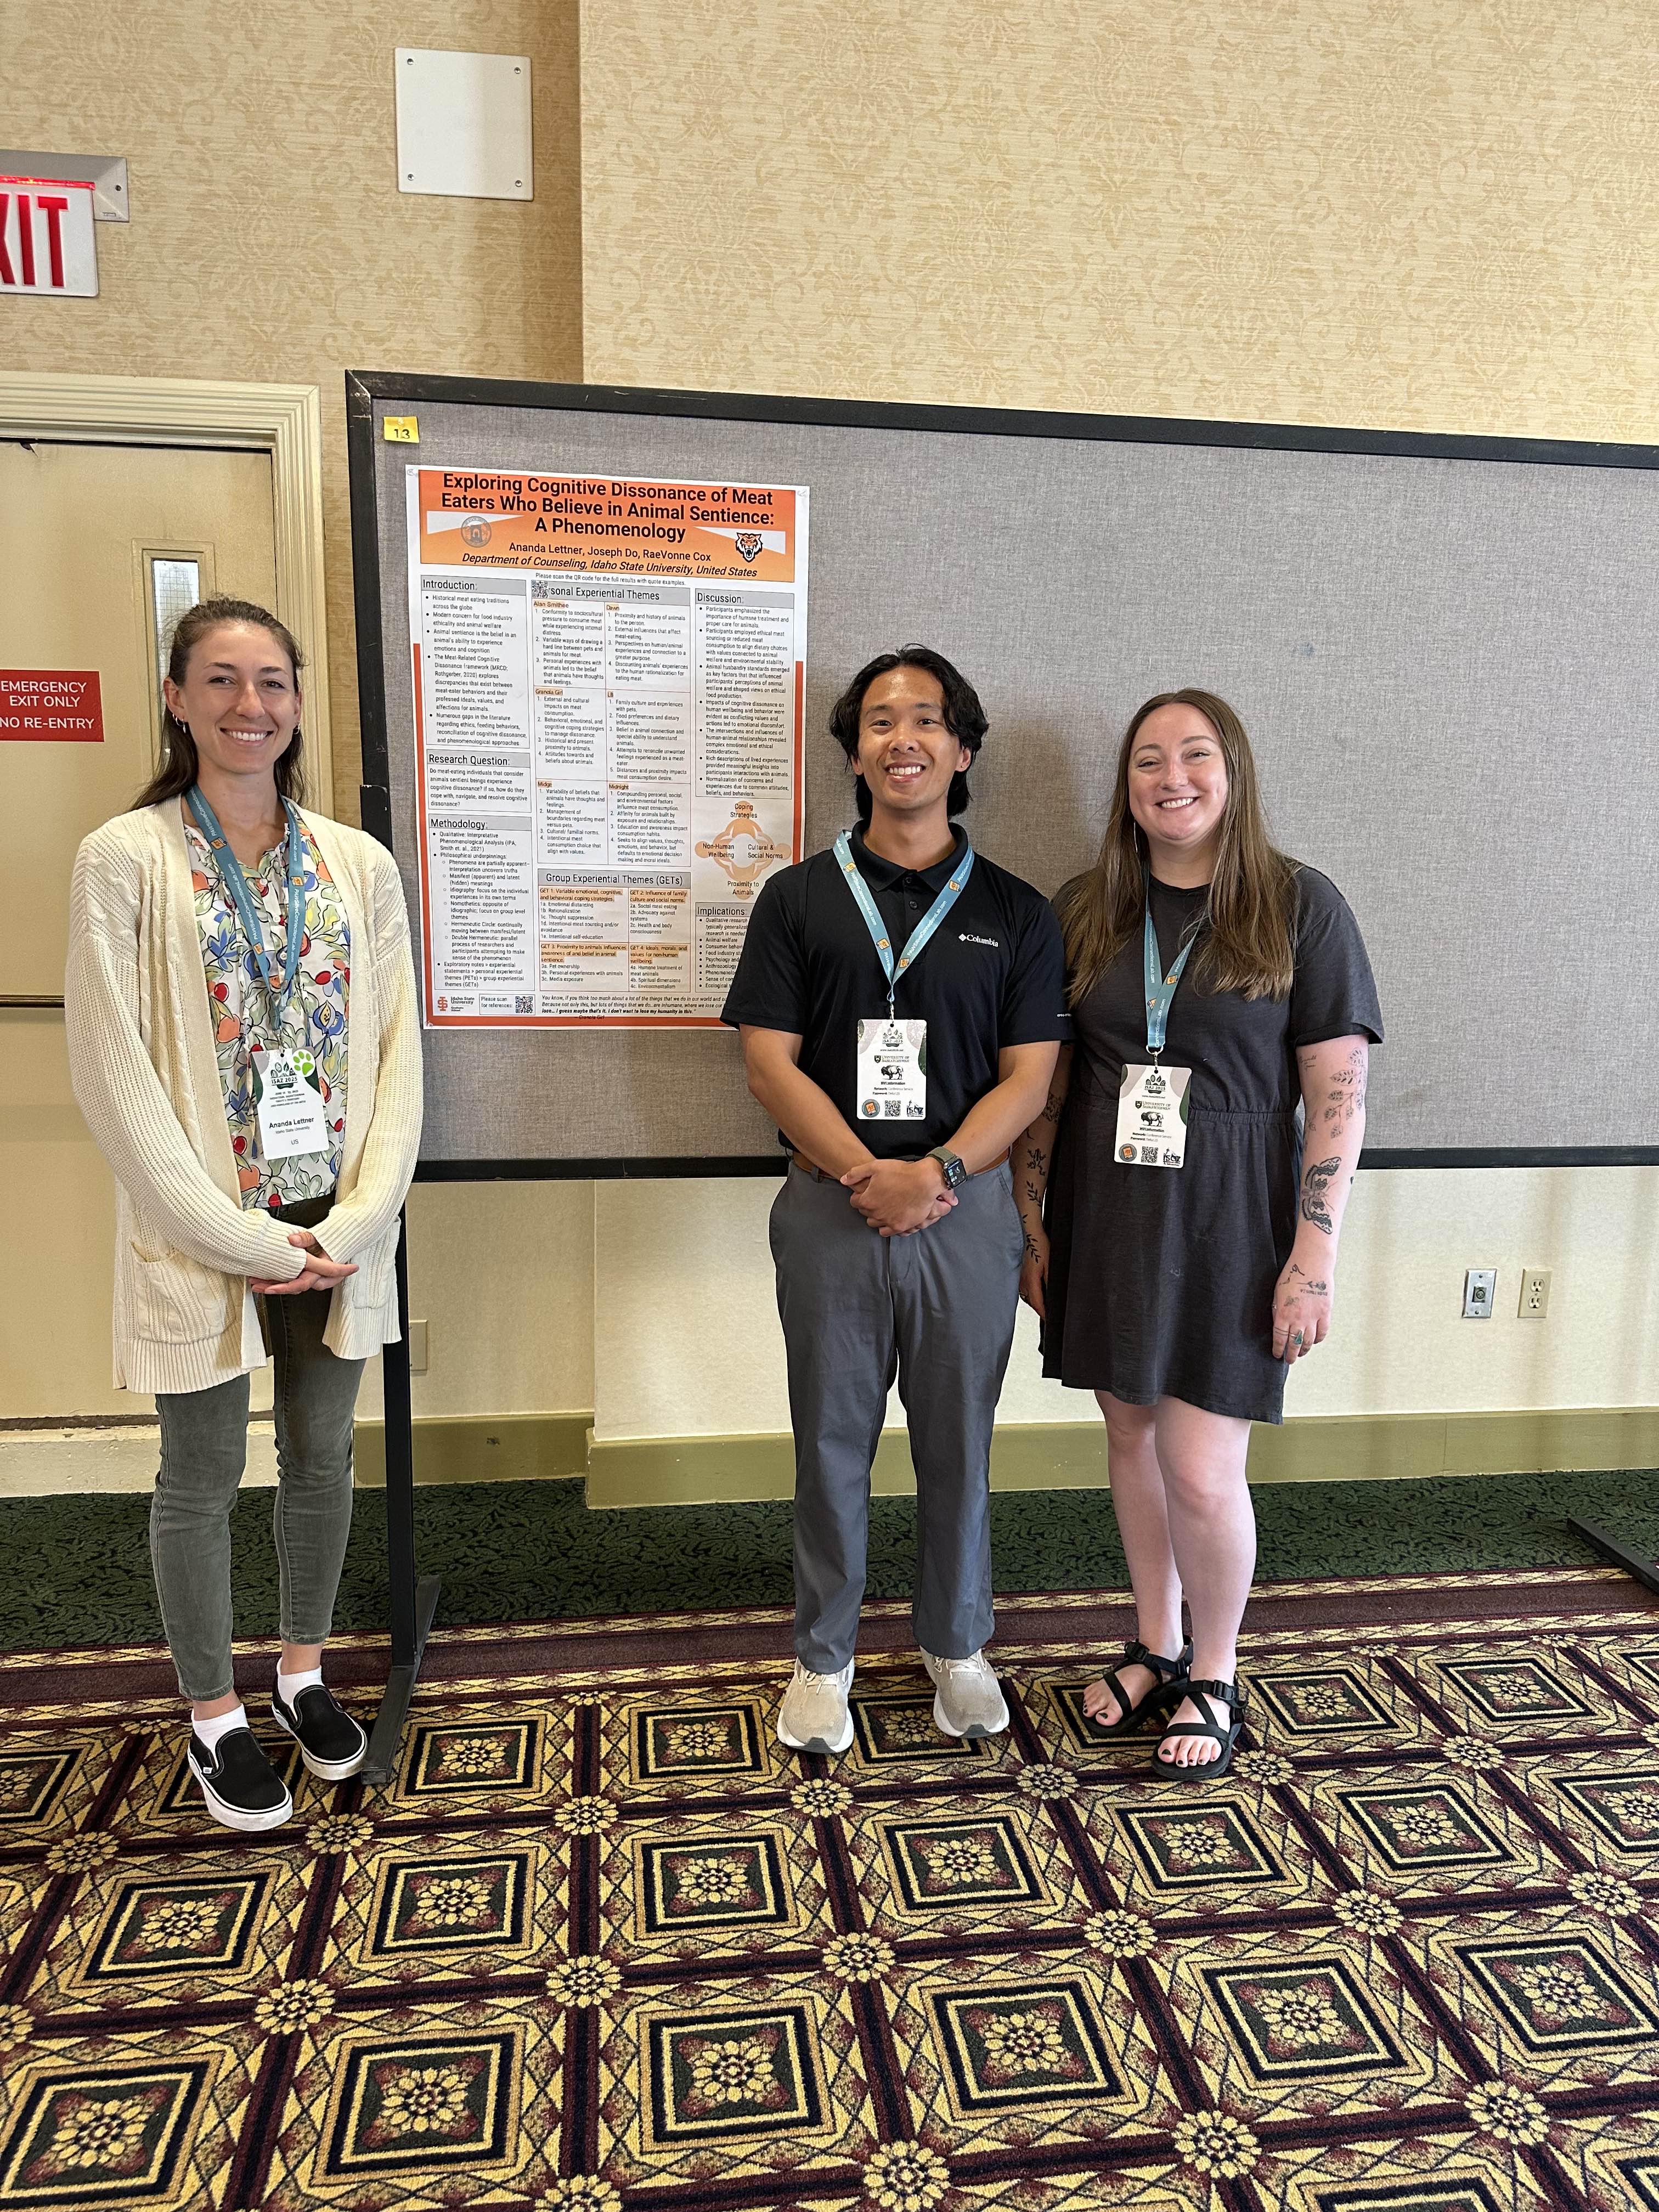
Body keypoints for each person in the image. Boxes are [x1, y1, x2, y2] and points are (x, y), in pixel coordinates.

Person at [65, 597, 422, 1832]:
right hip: (202, 1229)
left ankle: (305, 1669)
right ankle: (215, 1708)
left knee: (322, 1460)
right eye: (220, 681)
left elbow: (397, 1058)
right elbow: (114, 1078)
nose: (249, 706)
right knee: (202, 1473)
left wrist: (349, 1227)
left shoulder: (356, 864)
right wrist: (250, 1242)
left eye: (273, 682)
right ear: (175, 697)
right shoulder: (125, 858)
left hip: (334, 1229)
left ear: (298, 703)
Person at [1016, 689, 1381, 1778]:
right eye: (1146, 761)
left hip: (1232, 1220)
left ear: (1235, 773)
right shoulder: (1084, 908)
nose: (1171, 778)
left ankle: (1215, 1671)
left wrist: (1312, 1256)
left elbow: (1340, 1098)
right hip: (1109, 1208)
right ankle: (1156, 1642)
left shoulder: (1299, 907)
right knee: (1129, 1436)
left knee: (1203, 1465)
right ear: (1124, 788)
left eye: (1195, 756)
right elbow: (1051, 1084)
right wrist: (1034, 1224)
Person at [724, 647, 1070, 1756]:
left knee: (957, 1442)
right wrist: (867, 1175)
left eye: (927, 721)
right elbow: (771, 1062)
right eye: (880, 721)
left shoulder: (1016, 911)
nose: (902, 739)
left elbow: (1030, 1076)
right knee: (830, 1441)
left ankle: (957, 1645)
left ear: (962, 751)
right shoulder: (796, 898)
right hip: (831, 1208)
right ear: (855, 748)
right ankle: (822, 1656)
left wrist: (943, 1175)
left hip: (965, 1216)